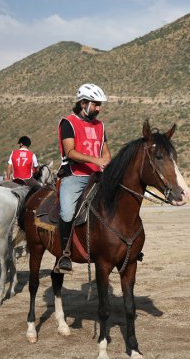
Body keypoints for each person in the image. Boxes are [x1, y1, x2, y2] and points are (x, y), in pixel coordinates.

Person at [56, 83, 111, 273]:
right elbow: (70, 151)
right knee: (67, 213)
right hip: (75, 175)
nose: (99, 108)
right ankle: (65, 254)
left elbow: (106, 152)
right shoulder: (68, 123)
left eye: (99, 104)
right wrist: (95, 159)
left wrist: (108, 164)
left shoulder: (100, 125)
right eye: (96, 104)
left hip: (99, 176)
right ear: (83, 103)